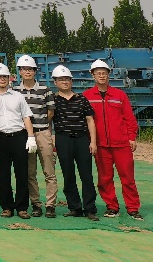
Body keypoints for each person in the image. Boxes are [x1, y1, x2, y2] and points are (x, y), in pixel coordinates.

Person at [84, 59, 142, 220]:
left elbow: (129, 118)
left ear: (108, 75)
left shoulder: (119, 95)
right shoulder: (87, 96)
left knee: (128, 178)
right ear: (93, 75)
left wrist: (131, 137)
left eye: (104, 73)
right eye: (98, 73)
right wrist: (90, 141)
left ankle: (133, 208)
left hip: (121, 144)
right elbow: (85, 121)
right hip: (101, 145)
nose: (101, 76)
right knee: (104, 179)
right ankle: (112, 207)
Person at [0, 63, 37, 219]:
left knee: (22, 173)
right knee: (3, 175)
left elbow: (26, 117)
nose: (2, 79)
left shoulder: (18, 96)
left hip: (18, 137)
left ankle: (22, 207)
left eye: (4, 76)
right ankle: (7, 207)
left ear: (9, 78)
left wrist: (31, 137)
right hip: (0, 138)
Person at [51, 64, 99, 221]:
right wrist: (51, 139)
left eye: (67, 79)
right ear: (55, 82)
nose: (65, 82)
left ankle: (90, 208)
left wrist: (93, 142)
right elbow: (48, 120)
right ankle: (75, 207)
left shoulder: (81, 99)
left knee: (86, 174)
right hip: (63, 139)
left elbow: (90, 120)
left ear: (71, 81)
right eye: (61, 79)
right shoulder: (53, 100)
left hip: (81, 139)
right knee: (68, 174)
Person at [16, 54, 58, 218]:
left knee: (49, 171)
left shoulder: (45, 91)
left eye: (30, 69)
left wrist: (40, 128)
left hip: (42, 133)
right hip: (24, 136)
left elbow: (50, 113)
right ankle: (36, 204)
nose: (27, 72)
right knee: (30, 172)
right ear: (20, 71)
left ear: (35, 71)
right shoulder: (15, 91)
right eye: (24, 69)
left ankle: (50, 205)